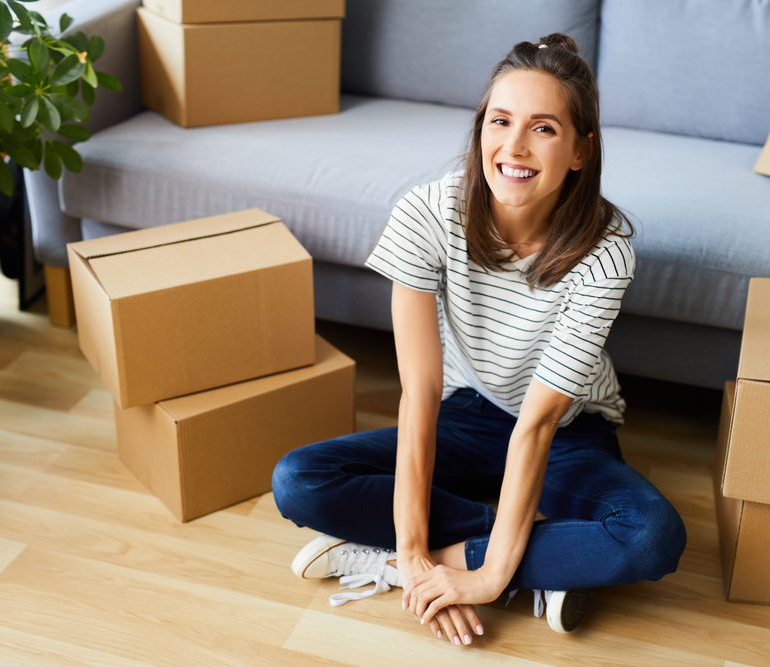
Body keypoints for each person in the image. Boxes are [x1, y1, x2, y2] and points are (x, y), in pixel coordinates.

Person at [272, 33, 687, 645]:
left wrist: (490, 576)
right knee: (298, 479)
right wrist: (414, 551)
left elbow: (539, 425)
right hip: (465, 414)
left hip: (569, 427)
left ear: (580, 151)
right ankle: (534, 561)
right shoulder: (425, 214)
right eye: (500, 121)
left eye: (544, 128)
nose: (514, 147)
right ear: (481, 129)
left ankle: (409, 561)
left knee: (651, 537)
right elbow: (419, 393)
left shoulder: (607, 250)